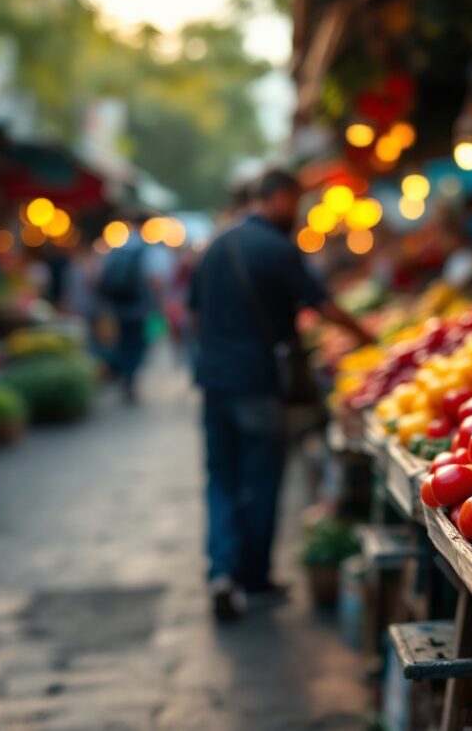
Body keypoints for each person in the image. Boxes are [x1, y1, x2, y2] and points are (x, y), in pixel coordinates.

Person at [190, 168, 373, 620]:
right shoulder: (276, 248)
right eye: (295, 201)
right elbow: (323, 305)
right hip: (258, 382)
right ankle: (253, 579)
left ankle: (222, 572)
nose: (297, 213)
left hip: (214, 382)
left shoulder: (214, 247)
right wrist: (367, 337)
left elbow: (194, 313)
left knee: (221, 479)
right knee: (261, 479)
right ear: (278, 197)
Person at [97, 214, 167, 403]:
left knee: (124, 340)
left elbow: (102, 275)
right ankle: (130, 376)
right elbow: (154, 279)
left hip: (119, 305)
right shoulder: (146, 249)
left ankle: (124, 373)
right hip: (140, 306)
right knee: (138, 343)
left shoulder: (118, 247)